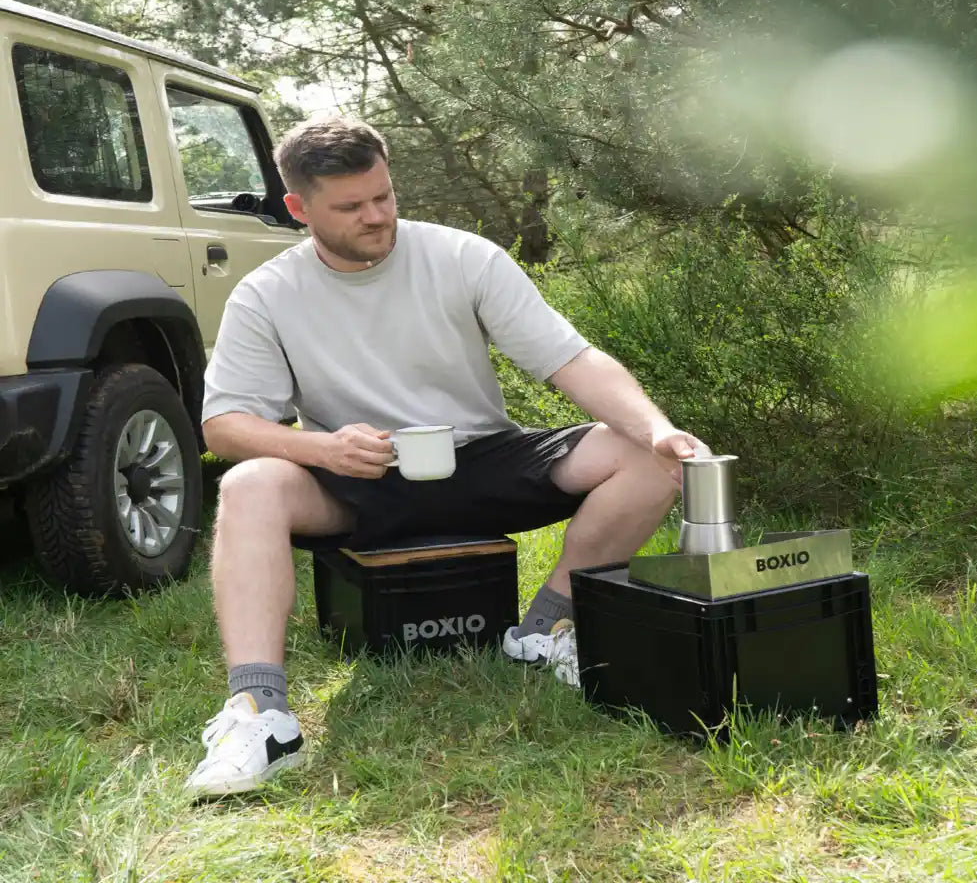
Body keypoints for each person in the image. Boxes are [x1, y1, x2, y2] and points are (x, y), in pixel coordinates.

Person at [184, 114, 710, 797]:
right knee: (250, 483)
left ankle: (547, 629)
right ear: (299, 207)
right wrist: (322, 448)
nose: (377, 216)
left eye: (384, 196)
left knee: (646, 454)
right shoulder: (267, 294)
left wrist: (658, 428)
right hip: (358, 479)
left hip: (482, 461)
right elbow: (223, 426)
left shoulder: (463, 257)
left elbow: (573, 361)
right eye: (351, 207)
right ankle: (260, 715)